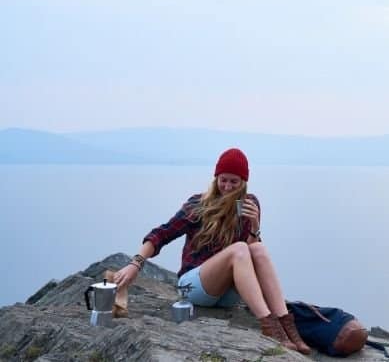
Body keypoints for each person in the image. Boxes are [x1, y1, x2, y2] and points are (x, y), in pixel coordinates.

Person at [113, 148, 311, 354]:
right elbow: (161, 234)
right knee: (240, 249)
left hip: (226, 295)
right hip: (193, 286)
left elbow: (252, 255)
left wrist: (254, 226)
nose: (227, 186)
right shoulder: (198, 204)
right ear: (216, 178)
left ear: (243, 182)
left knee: (258, 248)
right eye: (223, 180)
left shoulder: (248, 204)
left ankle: (287, 325)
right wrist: (135, 263)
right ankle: (268, 325)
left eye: (234, 182)